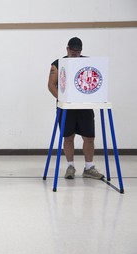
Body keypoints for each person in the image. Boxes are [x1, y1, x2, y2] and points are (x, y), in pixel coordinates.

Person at [47, 37, 104, 180]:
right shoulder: (57, 64)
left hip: (84, 106)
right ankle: (70, 166)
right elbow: (51, 85)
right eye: (73, 51)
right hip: (66, 108)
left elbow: (95, 80)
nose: (75, 53)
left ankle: (89, 167)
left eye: (78, 51)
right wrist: (63, 100)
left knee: (89, 137)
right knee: (68, 137)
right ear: (67, 49)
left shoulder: (87, 63)